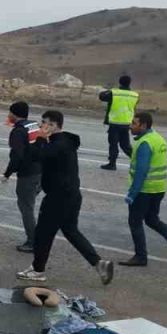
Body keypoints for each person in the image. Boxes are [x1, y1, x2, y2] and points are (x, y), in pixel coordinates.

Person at [17, 109, 115, 285]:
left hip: (58, 197)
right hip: (71, 195)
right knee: (70, 231)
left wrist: (39, 138)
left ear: (54, 126)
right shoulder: (64, 142)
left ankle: (38, 270)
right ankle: (100, 264)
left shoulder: (57, 145)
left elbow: (35, 156)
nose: (41, 125)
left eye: (45, 123)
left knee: (42, 234)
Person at [119, 111, 167, 269]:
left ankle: (140, 256)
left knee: (135, 222)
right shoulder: (157, 138)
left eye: (134, 124)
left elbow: (141, 171)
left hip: (145, 189)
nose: (131, 126)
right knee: (152, 220)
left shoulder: (145, 143)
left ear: (143, 125)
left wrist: (132, 193)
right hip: (159, 188)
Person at [2, 101, 41, 253]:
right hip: (41, 171)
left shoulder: (18, 131)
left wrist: (7, 173)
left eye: (9, 112)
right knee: (30, 203)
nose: (8, 115)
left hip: (28, 174)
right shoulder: (34, 125)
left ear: (14, 114)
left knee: (26, 207)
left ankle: (33, 241)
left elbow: (17, 155)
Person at [97, 75, 139, 170]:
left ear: (120, 82)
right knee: (125, 145)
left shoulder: (114, 93)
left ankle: (112, 163)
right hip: (126, 123)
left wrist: (110, 90)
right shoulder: (134, 95)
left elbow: (102, 96)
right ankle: (138, 161)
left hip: (115, 122)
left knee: (113, 144)